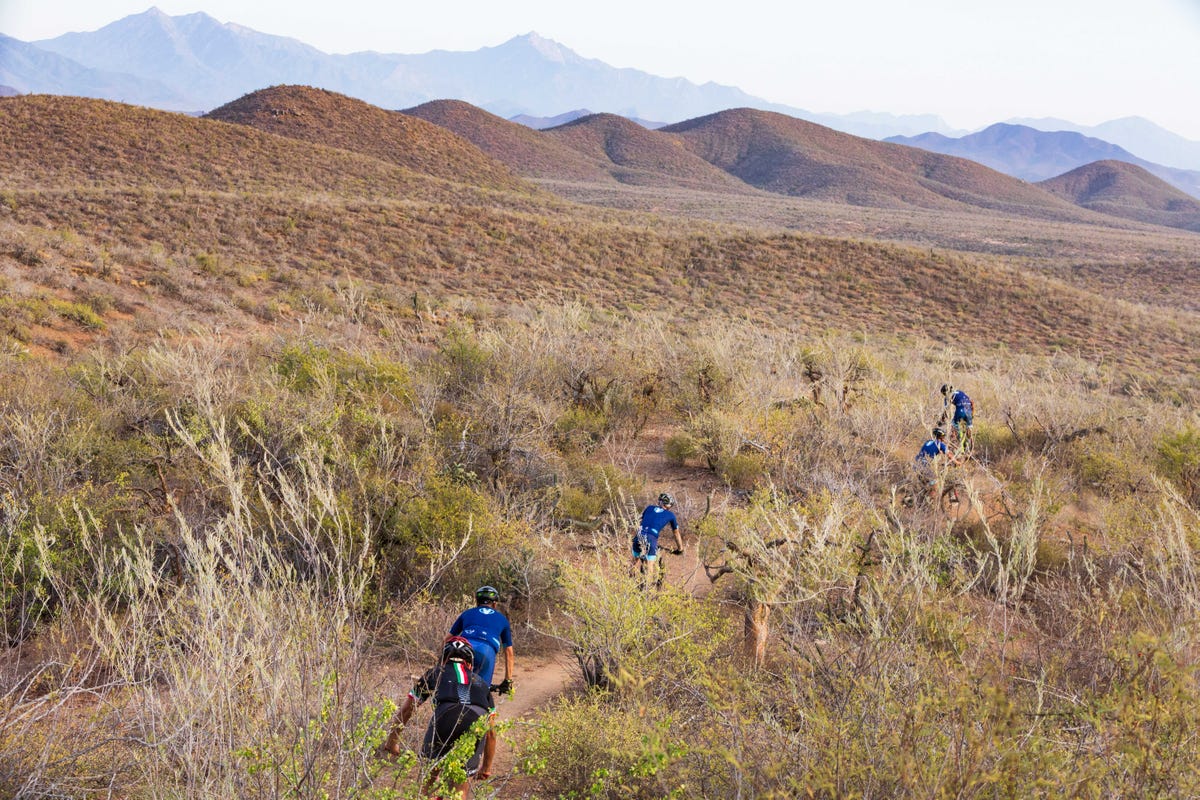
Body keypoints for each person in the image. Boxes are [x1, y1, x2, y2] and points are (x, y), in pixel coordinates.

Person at [383, 636, 496, 800]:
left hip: (446, 716)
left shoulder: (436, 672)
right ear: (470, 663)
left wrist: (392, 742)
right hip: (476, 720)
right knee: (459, 792)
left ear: (444, 660)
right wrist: (486, 767)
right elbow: (491, 733)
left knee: (427, 783)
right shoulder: (482, 683)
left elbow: (407, 709)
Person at [449, 586, 514, 692]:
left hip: (463, 648)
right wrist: (508, 680)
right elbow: (509, 651)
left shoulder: (467, 613)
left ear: (477, 602)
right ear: (494, 604)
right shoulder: (502, 619)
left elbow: (447, 639)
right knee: (482, 692)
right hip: (486, 651)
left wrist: (440, 667)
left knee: (455, 686)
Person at [631, 492, 684, 586]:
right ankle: (646, 592)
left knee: (634, 563)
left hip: (639, 535)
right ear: (669, 505)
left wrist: (635, 536)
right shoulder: (670, 515)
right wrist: (680, 549)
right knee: (650, 565)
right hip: (651, 537)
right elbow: (676, 533)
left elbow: (638, 521)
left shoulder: (649, 507)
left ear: (659, 501)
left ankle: (628, 584)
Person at [914, 427, 960, 503]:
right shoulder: (940, 444)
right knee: (935, 484)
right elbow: (949, 455)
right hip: (924, 466)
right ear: (941, 436)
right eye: (943, 437)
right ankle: (927, 503)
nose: (944, 438)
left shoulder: (928, 442)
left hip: (917, 465)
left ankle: (922, 500)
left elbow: (930, 452)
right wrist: (957, 462)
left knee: (926, 486)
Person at [940, 383, 974, 450]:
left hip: (960, 411)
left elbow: (946, 410)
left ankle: (958, 444)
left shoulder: (947, 396)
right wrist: (972, 413)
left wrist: (942, 419)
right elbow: (972, 402)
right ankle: (969, 445)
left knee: (954, 426)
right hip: (968, 409)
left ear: (945, 392)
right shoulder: (960, 392)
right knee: (968, 427)